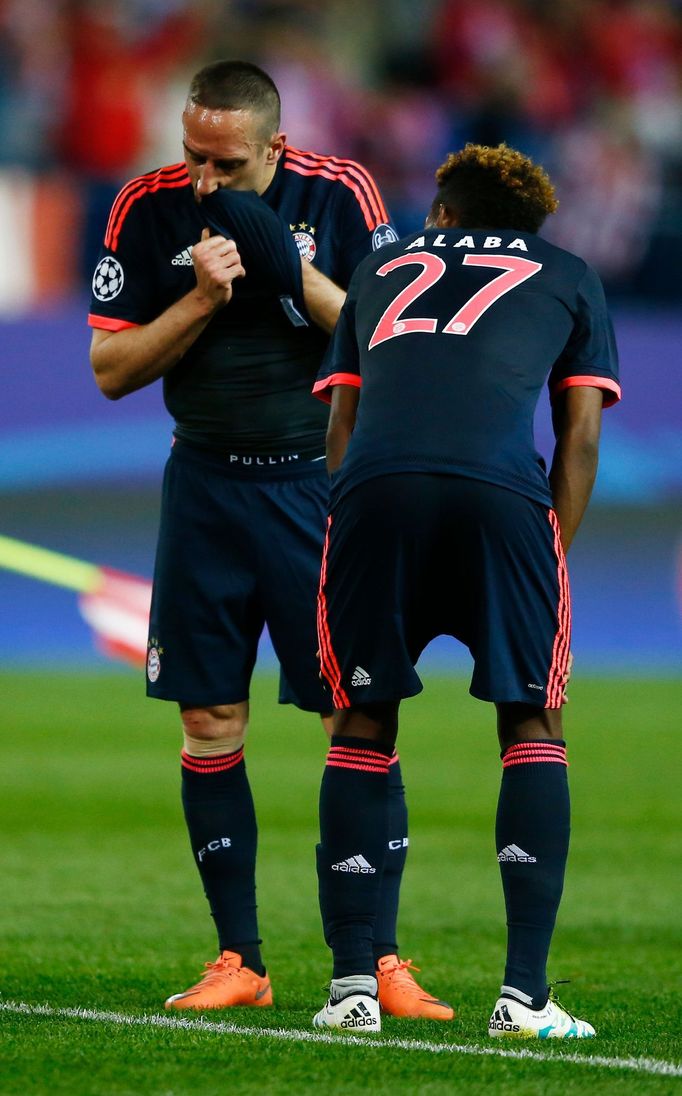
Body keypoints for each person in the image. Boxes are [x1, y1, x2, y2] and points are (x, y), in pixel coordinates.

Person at [88, 59, 452, 1020]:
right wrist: (203, 299)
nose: (204, 180)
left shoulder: (342, 193)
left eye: (227, 164)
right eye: (192, 156)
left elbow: (390, 338)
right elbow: (109, 369)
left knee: (357, 720)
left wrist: (288, 272)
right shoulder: (144, 207)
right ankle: (237, 960)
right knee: (209, 723)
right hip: (203, 487)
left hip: (318, 493)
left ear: (275, 148)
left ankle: (378, 961)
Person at [311, 143, 620, 1035]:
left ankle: (352, 990)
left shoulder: (378, 268)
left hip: (376, 491)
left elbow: (343, 420)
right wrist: (545, 555)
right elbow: (581, 438)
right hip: (501, 494)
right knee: (531, 721)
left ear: (442, 214)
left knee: (362, 721)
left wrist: (358, 514)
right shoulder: (568, 274)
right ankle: (524, 997)